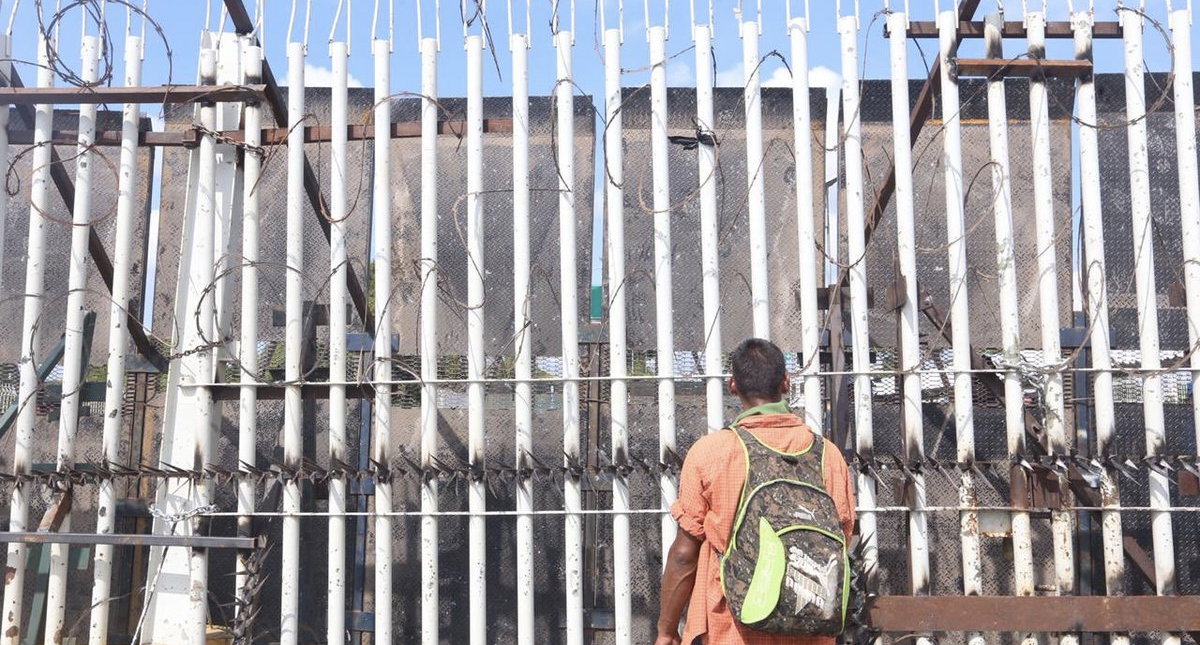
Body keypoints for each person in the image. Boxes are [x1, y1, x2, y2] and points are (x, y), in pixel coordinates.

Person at [655, 338, 856, 645]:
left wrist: (666, 631)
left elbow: (684, 555)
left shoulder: (711, 453)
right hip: (810, 632)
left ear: (733, 385)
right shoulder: (829, 456)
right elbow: (840, 539)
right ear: (786, 383)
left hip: (731, 631)